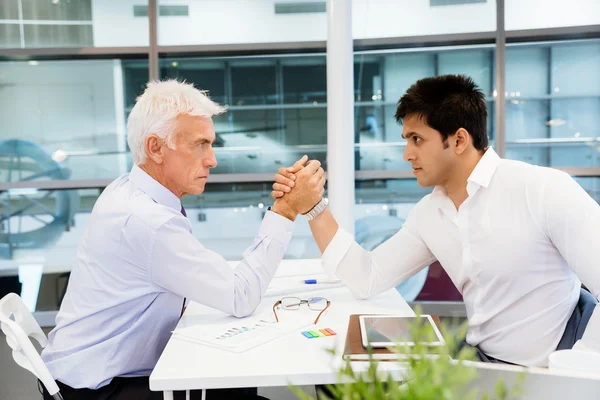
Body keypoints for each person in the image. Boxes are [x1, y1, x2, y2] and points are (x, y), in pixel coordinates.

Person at [272, 74, 600, 367]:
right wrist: (313, 205)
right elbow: (367, 276)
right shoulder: (431, 213)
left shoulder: (543, 190)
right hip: (481, 362)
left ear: (458, 140)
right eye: (406, 140)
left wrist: (575, 372)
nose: (407, 154)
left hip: (552, 367)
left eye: (417, 139)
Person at [40, 80, 325, 400]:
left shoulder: (127, 190)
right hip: (102, 387)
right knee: (233, 381)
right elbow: (240, 296)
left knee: (234, 384)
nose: (212, 159)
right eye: (200, 144)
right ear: (155, 148)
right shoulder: (148, 222)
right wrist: (285, 209)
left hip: (89, 371)